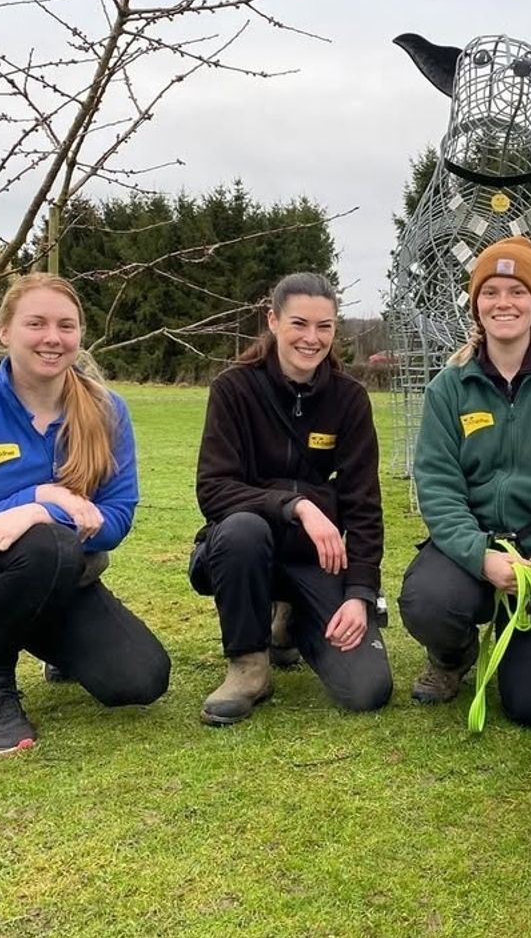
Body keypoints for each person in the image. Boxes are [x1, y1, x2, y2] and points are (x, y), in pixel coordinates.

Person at [0, 274, 170, 756]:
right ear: (4, 332)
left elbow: (117, 518)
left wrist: (37, 512)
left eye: (67, 325)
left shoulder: (107, 410)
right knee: (48, 541)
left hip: (54, 576)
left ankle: (50, 643)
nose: (53, 337)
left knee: (143, 679)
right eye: (36, 323)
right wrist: (39, 498)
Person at [398, 236, 531, 728]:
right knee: (427, 600)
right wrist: (479, 555)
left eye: (517, 291)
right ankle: (452, 658)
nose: (503, 303)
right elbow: (438, 485)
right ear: (476, 305)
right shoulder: (449, 387)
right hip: (474, 543)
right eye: (490, 292)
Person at [190, 272, 392, 726]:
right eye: (299, 323)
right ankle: (249, 665)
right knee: (244, 529)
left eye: (325, 326)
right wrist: (298, 506)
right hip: (241, 550)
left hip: (312, 559)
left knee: (367, 688)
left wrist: (359, 593)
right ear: (273, 321)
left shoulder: (350, 399)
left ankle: (291, 620)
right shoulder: (234, 389)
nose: (312, 338)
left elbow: (364, 505)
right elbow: (214, 488)